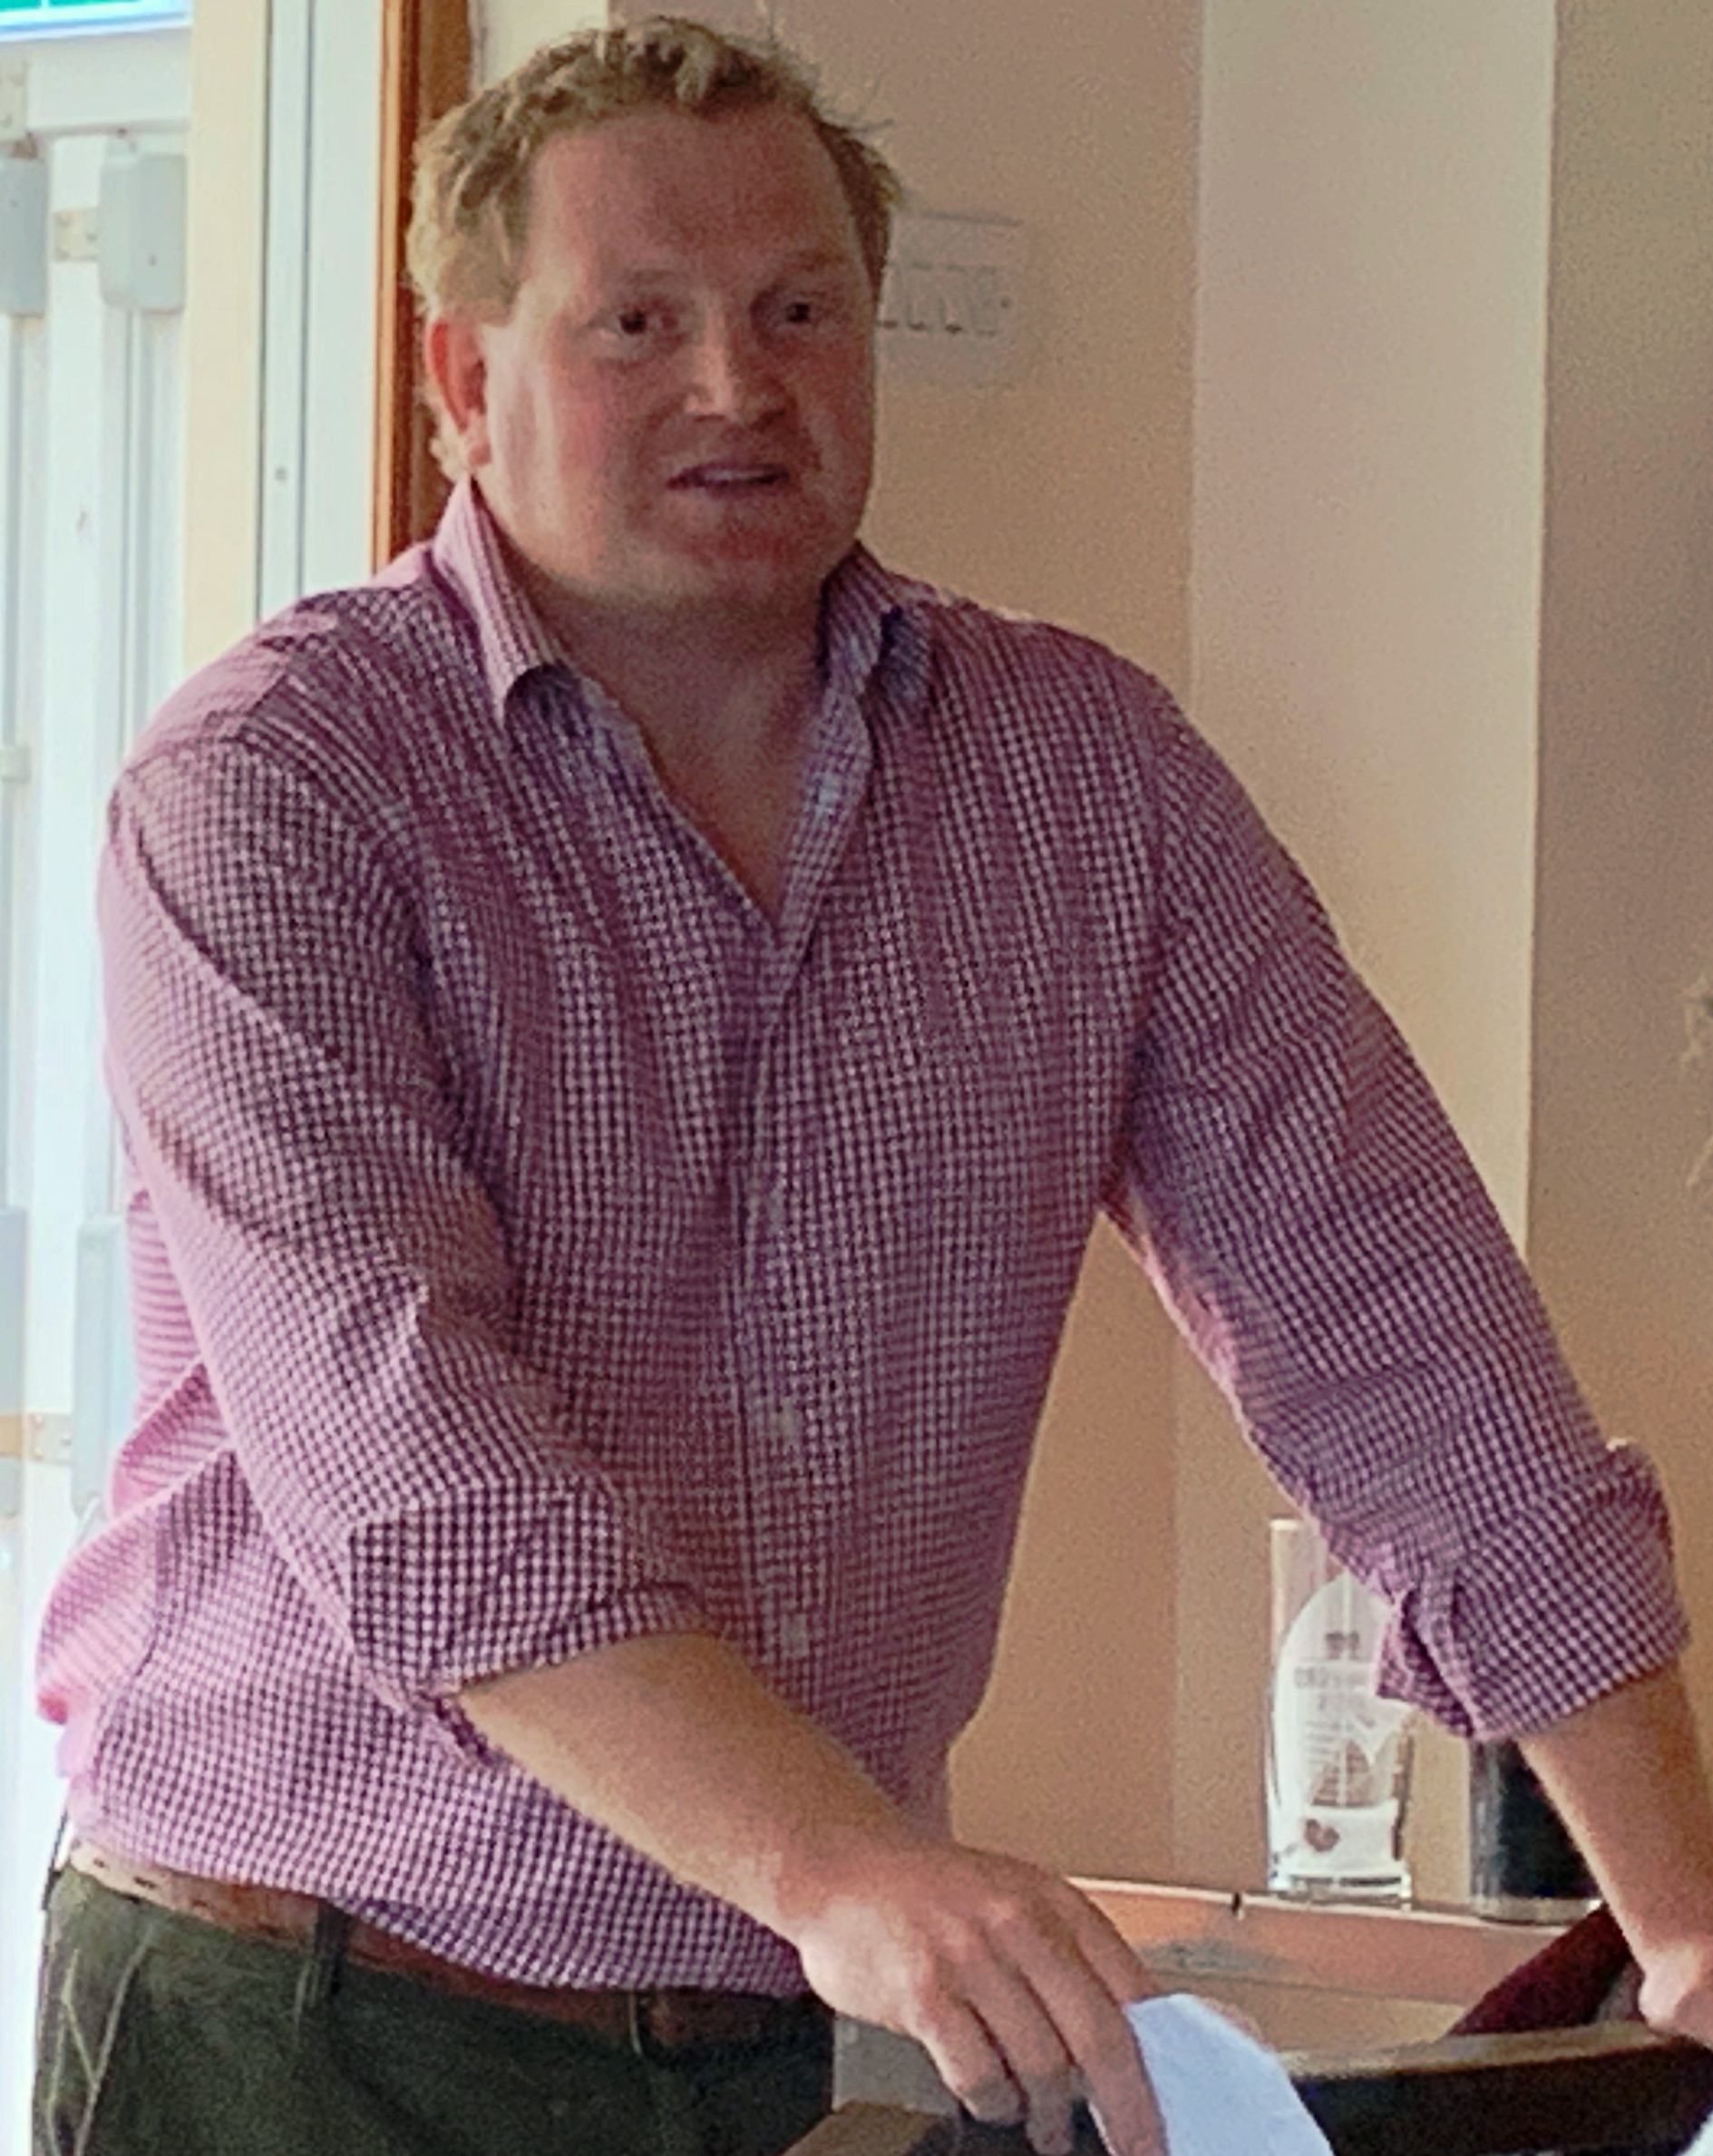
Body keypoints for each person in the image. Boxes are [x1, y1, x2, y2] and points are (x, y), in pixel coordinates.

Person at [29, 17, 1713, 2156]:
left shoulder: (1086, 780)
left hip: (759, 2021)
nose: (738, 386)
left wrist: (1685, 1916)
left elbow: (1413, 1339)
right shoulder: (272, 788)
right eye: (639, 322)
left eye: (801, 311)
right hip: (290, 2019)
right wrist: (845, 1866)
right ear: (464, 381)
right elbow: (414, 1472)